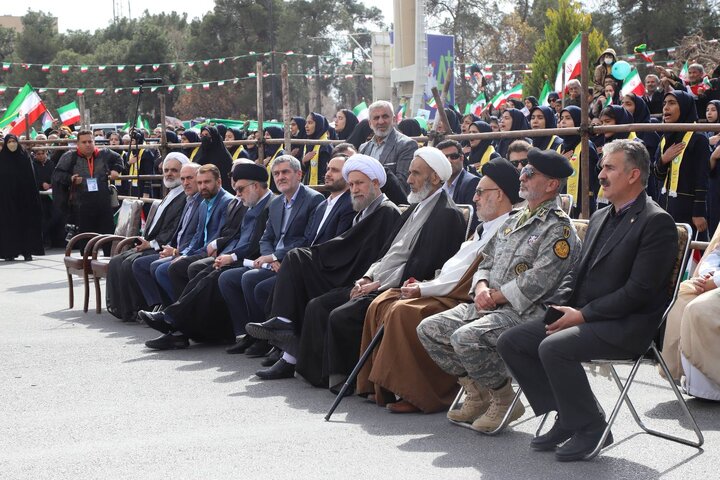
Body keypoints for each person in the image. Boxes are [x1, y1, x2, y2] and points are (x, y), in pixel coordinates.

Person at [497, 139, 678, 462]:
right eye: (602, 167)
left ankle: (592, 426)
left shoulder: (655, 221)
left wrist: (581, 316)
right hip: (586, 316)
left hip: (627, 324)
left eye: (609, 167)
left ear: (633, 175)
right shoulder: (600, 216)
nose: (601, 174)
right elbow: (576, 274)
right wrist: (561, 307)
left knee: (553, 347)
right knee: (513, 340)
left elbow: (639, 292)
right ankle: (569, 417)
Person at [417, 149, 579, 432]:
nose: (523, 177)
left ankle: (504, 398)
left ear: (552, 185)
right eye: (523, 171)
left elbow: (539, 281)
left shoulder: (559, 229)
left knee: (465, 337)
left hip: (525, 312)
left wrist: (494, 296)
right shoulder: (515, 218)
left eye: (530, 173)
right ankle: (478, 393)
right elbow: (487, 260)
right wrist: (480, 286)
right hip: (489, 303)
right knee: (429, 329)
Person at [293, 147, 467, 390]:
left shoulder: (447, 214)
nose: (408, 180)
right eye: (409, 173)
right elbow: (386, 254)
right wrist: (367, 276)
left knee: (342, 315)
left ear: (436, 178)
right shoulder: (415, 208)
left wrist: (379, 284)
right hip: (382, 279)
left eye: (416, 174)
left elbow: (424, 265)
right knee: (319, 304)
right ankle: (318, 373)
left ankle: (349, 378)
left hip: (405, 286)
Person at [357, 158, 521, 413]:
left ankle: (420, 394)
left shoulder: (507, 229)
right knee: (384, 300)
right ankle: (383, 387)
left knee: (403, 311)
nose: (474, 198)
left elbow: (466, 278)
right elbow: (453, 268)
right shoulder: (483, 227)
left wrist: (424, 289)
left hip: (463, 297)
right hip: (445, 287)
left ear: (499, 195)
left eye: (480, 192)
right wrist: (425, 284)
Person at [243, 154, 402, 379]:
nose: (354, 189)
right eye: (352, 184)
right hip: (346, 269)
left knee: (301, 266)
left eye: (360, 184)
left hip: (360, 277)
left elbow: (358, 250)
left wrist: (319, 255)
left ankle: (290, 342)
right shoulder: (364, 211)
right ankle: (287, 345)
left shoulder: (386, 211)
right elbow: (348, 245)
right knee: (298, 269)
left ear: (375, 183)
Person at [140, 162, 275, 350]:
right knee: (203, 273)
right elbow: (236, 235)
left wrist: (231, 257)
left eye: (240, 189)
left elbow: (255, 243)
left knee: (211, 274)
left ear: (255, 186)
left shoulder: (269, 205)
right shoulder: (252, 203)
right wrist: (225, 253)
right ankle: (179, 324)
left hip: (255, 260)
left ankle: (173, 321)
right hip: (238, 256)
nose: (237, 194)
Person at [217, 155, 324, 357]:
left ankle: (272, 341)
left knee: (251, 281)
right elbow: (266, 238)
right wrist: (270, 256)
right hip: (273, 261)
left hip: (294, 262)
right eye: (276, 173)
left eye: (285, 172)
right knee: (227, 278)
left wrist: (277, 256)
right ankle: (247, 334)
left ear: (299, 174)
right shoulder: (276, 203)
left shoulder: (313, 199)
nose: (280, 177)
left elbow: (308, 239)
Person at [105, 153, 190, 322]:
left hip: (165, 246)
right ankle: (123, 308)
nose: (169, 174)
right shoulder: (171, 192)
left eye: (174, 170)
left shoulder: (184, 196)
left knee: (131, 263)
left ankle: (144, 306)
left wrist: (152, 244)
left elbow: (173, 229)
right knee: (117, 260)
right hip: (154, 243)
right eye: (166, 170)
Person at [152, 164, 235, 303]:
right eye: (200, 182)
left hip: (216, 252)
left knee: (177, 267)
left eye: (207, 182)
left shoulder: (227, 202)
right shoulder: (204, 203)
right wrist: (185, 254)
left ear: (219, 182)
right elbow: (198, 236)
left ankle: (181, 311)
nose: (203, 186)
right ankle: (178, 310)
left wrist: (185, 255)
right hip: (200, 250)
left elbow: (219, 237)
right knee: (169, 266)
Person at [131, 163, 202, 310]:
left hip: (191, 252)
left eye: (190, 178)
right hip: (175, 248)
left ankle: (175, 309)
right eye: (183, 179)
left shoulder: (200, 201)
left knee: (160, 267)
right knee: (130, 262)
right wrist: (170, 248)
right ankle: (158, 306)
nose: (185, 183)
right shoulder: (189, 200)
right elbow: (179, 232)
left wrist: (176, 251)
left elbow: (200, 236)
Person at [662, 227, 720, 399]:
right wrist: (707, 275)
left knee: (698, 309)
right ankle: (693, 382)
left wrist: (715, 281)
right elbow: (716, 253)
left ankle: (713, 382)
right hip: (714, 280)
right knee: (682, 296)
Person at [51, 130, 123, 250]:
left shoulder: (104, 153)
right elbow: (57, 175)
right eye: (84, 142)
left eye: (90, 141)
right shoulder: (70, 156)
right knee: (85, 239)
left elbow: (118, 159)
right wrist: (70, 178)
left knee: (107, 236)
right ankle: (86, 265)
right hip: (81, 203)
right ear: (78, 144)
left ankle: (107, 264)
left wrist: (116, 170)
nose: (88, 144)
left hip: (103, 201)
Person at [653, 91, 709, 239]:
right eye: (664, 103)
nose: (666, 108)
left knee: (691, 255)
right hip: (665, 206)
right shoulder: (665, 138)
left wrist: (698, 212)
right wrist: (663, 160)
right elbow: (657, 176)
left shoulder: (698, 139)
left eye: (672, 103)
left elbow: (702, 178)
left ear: (684, 107)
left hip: (688, 210)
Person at [0, 134, 44, 261]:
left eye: (14, 141)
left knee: (26, 225)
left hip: (25, 200)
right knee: (8, 225)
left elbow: (31, 179)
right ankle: (9, 252)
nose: (12, 144)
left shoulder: (24, 157)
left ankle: (27, 251)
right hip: (7, 200)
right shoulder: (2, 159)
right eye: (9, 142)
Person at [358, 100, 418, 191]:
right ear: (370, 123)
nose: (381, 121)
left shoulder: (407, 145)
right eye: (376, 118)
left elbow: (402, 185)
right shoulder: (363, 148)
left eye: (385, 116)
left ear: (394, 120)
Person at [558, 106, 600, 217]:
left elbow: (590, 182)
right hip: (561, 202)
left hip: (581, 205)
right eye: (561, 118)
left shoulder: (587, 147)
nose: (563, 121)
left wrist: (584, 208)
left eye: (568, 118)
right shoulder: (560, 147)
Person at [439, 139, 480, 205]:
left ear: (462, 158)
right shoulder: (437, 184)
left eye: (454, 156)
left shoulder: (472, 182)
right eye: (444, 158)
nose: (449, 161)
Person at [193, 126, 233, 193]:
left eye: (207, 135)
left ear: (213, 136)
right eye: (202, 135)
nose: (204, 138)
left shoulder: (224, 156)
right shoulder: (200, 153)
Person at [300, 113, 333, 185]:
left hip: (322, 190)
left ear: (319, 125)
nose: (306, 126)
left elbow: (324, 172)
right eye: (306, 123)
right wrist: (304, 161)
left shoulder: (325, 146)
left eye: (310, 123)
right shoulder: (308, 144)